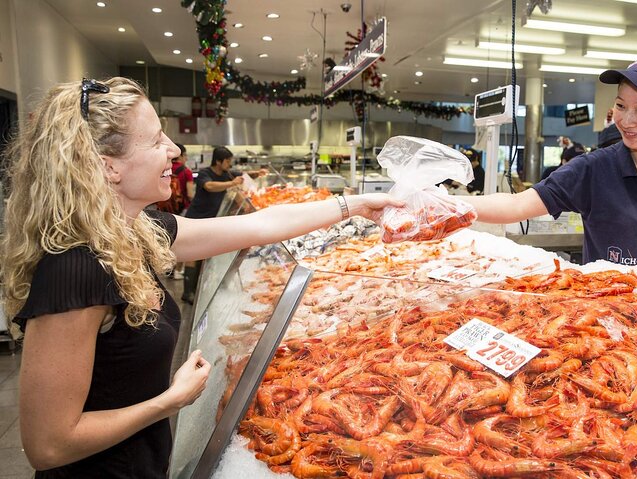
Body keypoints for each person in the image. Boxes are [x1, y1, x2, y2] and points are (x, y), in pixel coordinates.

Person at [0, 77, 400, 478]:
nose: (173, 150)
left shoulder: (137, 230)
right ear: (109, 166)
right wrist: (169, 401)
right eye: (156, 141)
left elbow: (260, 226)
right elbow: (48, 445)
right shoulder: (75, 267)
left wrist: (356, 204)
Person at [463, 50, 637, 290]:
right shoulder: (593, 168)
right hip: (601, 310)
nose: (626, 121)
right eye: (620, 106)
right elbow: (516, 205)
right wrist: (446, 204)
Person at [181, 145, 243, 303]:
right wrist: (232, 184)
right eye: (228, 161)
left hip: (211, 220)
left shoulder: (226, 174)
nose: (230, 164)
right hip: (196, 218)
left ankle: (199, 290)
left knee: (203, 255)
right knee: (193, 255)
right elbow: (209, 186)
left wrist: (257, 173)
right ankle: (188, 292)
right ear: (219, 161)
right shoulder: (205, 173)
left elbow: (242, 176)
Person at [171, 143, 194, 279]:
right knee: (182, 239)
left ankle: (168, 268)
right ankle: (178, 270)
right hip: (182, 208)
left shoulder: (164, 168)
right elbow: (190, 193)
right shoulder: (186, 171)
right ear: (181, 155)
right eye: (185, 156)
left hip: (166, 208)